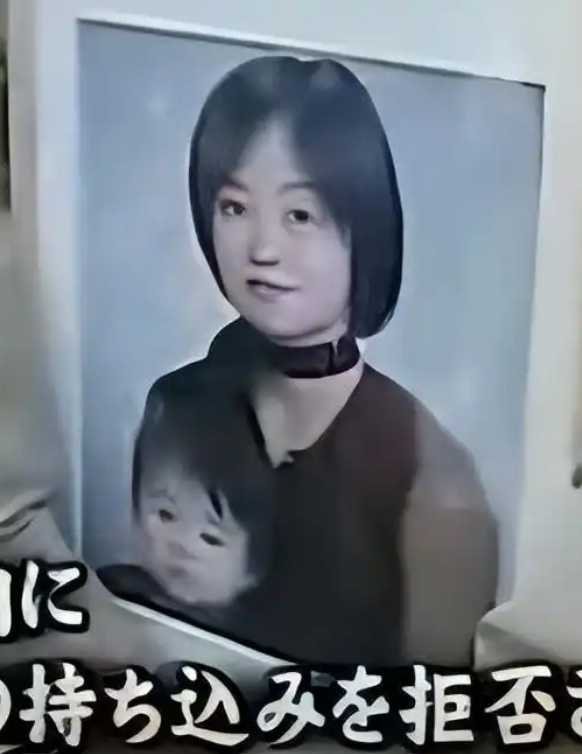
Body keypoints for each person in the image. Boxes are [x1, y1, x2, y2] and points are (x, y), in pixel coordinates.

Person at [132, 55, 500, 666]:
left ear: (365, 226)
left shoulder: (429, 478)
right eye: (235, 207)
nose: (263, 248)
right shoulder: (177, 405)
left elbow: (434, 705)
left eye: (300, 214)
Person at [100, 384, 272, 638]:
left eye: (211, 538)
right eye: (165, 515)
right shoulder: (110, 589)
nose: (182, 545)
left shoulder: (257, 640)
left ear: (252, 572)